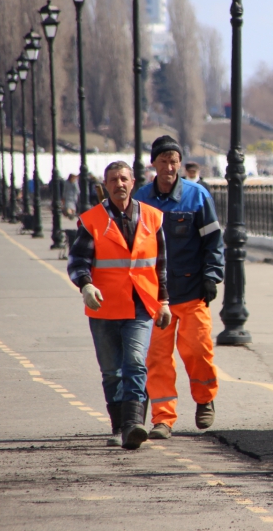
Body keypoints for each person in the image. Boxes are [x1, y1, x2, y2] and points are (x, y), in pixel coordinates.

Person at [67, 161, 171, 450]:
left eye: (124, 178)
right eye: (113, 179)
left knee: (135, 363)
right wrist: (86, 284)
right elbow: (77, 261)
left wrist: (164, 301)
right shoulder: (92, 220)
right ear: (106, 184)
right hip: (104, 307)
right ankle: (118, 426)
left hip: (141, 304)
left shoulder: (153, 218)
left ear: (133, 182)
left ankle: (132, 425)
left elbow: (160, 265)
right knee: (112, 371)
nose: (119, 184)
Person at [135, 136, 225, 439]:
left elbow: (214, 241)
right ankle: (163, 418)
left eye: (174, 161)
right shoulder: (142, 199)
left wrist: (212, 276)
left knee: (198, 351)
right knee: (157, 359)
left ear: (179, 163)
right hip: (155, 297)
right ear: (154, 164)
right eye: (163, 161)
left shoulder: (197, 196)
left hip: (191, 291)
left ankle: (204, 400)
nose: (169, 167)